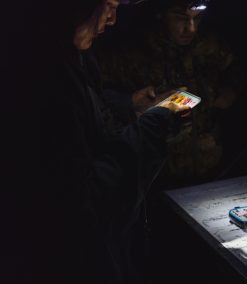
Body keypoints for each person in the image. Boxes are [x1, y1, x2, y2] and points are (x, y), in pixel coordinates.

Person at [36, 0, 189, 283]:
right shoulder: (43, 75)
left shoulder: (77, 57)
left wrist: (128, 104)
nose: (112, 20)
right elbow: (92, 192)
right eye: (109, 6)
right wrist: (157, 121)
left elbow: (93, 114)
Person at [96, 0, 247, 188]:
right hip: (156, 176)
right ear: (161, 14)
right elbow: (96, 96)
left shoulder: (208, 44)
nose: (191, 29)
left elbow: (236, 69)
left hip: (211, 168)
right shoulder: (131, 52)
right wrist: (130, 102)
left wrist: (231, 90)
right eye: (181, 19)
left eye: (197, 18)